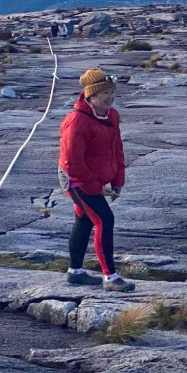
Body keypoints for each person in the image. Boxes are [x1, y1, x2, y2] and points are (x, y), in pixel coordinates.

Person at [58, 67, 135, 291]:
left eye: (112, 92)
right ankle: (110, 278)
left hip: (95, 177)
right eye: (105, 94)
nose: (110, 98)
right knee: (104, 220)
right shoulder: (76, 122)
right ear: (91, 96)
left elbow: (116, 148)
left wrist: (118, 179)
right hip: (75, 179)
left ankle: (75, 272)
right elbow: (72, 163)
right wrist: (94, 188)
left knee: (84, 220)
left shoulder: (112, 116)